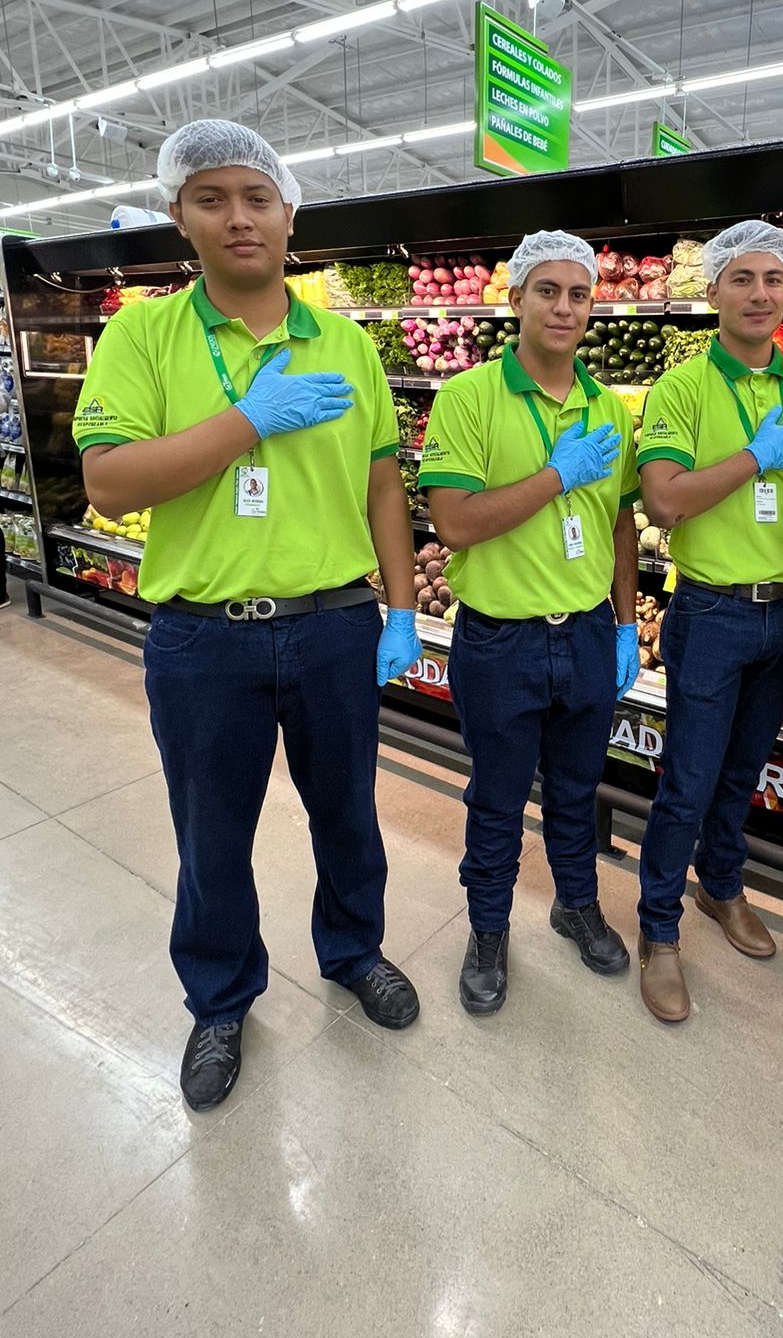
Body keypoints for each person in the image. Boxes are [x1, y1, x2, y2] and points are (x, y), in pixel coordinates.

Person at [72, 119, 424, 1112]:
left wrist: (401, 608)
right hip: (201, 637)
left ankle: (354, 951)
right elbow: (107, 480)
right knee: (211, 835)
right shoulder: (143, 337)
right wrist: (246, 421)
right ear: (179, 214)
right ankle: (221, 999)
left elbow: (383, 485)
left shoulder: (347, 346)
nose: (239, 217)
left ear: (288, 215)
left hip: (334, 626)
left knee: (348, 815)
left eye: (257, 197)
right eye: (212, 198)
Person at [418, 230, 640, 1016]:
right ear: (515, 299)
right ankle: (487, 929)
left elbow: (619, 522)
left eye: (579, 294)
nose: (564, 307)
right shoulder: (469, 398)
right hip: (500, 640)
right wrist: (555, 475)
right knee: (498, 799)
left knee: (578, 791)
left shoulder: (609, 408)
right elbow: (455, 522)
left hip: (586, 634)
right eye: (548, 290)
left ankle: (575, 904)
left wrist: (623, 622)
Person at [634, 220, 783, 1023]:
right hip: (711, 610)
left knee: (743, 773)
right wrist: (756, 456)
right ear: (713, 290)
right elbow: (663, 501)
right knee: (688, 781)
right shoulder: (681, 390)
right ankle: (658, 932)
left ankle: (721, 886)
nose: (759, 293)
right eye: (742, 278)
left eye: (773, 278)